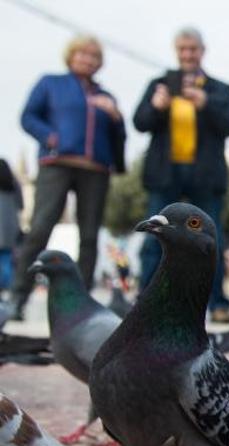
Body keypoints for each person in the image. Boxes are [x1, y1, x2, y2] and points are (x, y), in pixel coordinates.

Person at [9, 35, 126, 319]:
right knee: (40, 228)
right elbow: (28, 117)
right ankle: (17, 296)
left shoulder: (106, 96)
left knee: (89, 236)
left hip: (95, 169)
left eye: (93, 56)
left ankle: (80, 305)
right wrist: (50, 137)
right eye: (82, 54)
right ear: (71, 56)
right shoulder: (51, 83)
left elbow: (119, 138)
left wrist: (116, 117)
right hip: (57, 163)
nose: (87, 60)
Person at [134, 27, 229, 323]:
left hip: (205, 175)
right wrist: (156, 108)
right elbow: (140, 122)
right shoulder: (160, 85)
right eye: (183, 49)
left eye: (193, 49)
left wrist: (206, 104)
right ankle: (146, 300)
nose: (188, 54)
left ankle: (217, 302)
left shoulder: (219, 89)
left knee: (211, 240)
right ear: (176, 51)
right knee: (154, 236)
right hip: (165, 173)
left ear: (202, 51)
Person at [0, 160, 23, 295]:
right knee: (7, 260)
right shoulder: (14, 185)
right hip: (10, 229)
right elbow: (21, 206)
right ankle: (9, 289)